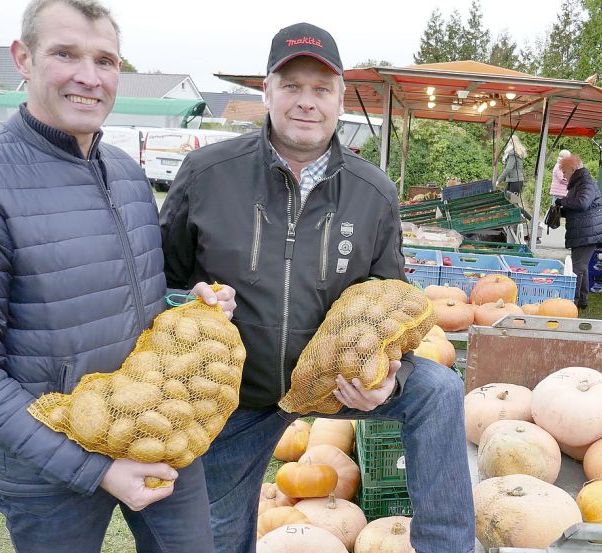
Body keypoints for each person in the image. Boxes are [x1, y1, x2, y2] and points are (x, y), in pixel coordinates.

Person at [159, 22, 475, 553]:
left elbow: (391, 301)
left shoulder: (374, 190)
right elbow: (163, 281)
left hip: (340, 380)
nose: (307, 102)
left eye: (321, 88)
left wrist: (386, 373)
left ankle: (446, 546)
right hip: (240, 393)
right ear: (267, 91)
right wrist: (189, 304)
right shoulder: (207, 173)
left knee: (439, 391)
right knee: (214, 540)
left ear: (340, 98)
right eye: (292, 86)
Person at [0, 1, 234, 551]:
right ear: (23, 58)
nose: (89, 77)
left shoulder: (129, 174)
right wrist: (96, 469)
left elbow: (133, 305)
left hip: (160, 434)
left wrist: (190, 312)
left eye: (105, 60)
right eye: (66, 54)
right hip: (47, 467)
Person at [555, 153, 602, 309]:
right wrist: (561, 210)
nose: (563, 175)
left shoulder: (586, 182)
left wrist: (562, 201)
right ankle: (582, 301)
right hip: (584, 231)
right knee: (581, 266)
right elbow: (578, 206)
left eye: (564, 171)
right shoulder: (580, 183)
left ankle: (573, 301)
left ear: (573, 169)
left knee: (577, 267)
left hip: (587, 232)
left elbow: (582, 203)